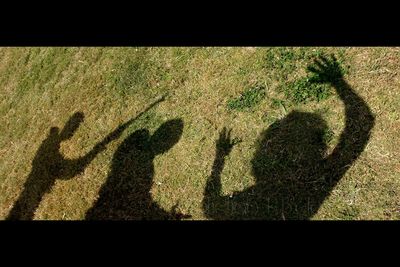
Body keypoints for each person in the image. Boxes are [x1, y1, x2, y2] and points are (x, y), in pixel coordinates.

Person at [203, 55, 375, 220]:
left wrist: (219, 159)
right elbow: (360, 132)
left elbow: (210, 202)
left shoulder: (219, 211)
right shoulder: (303, 202)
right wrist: (341, 85)